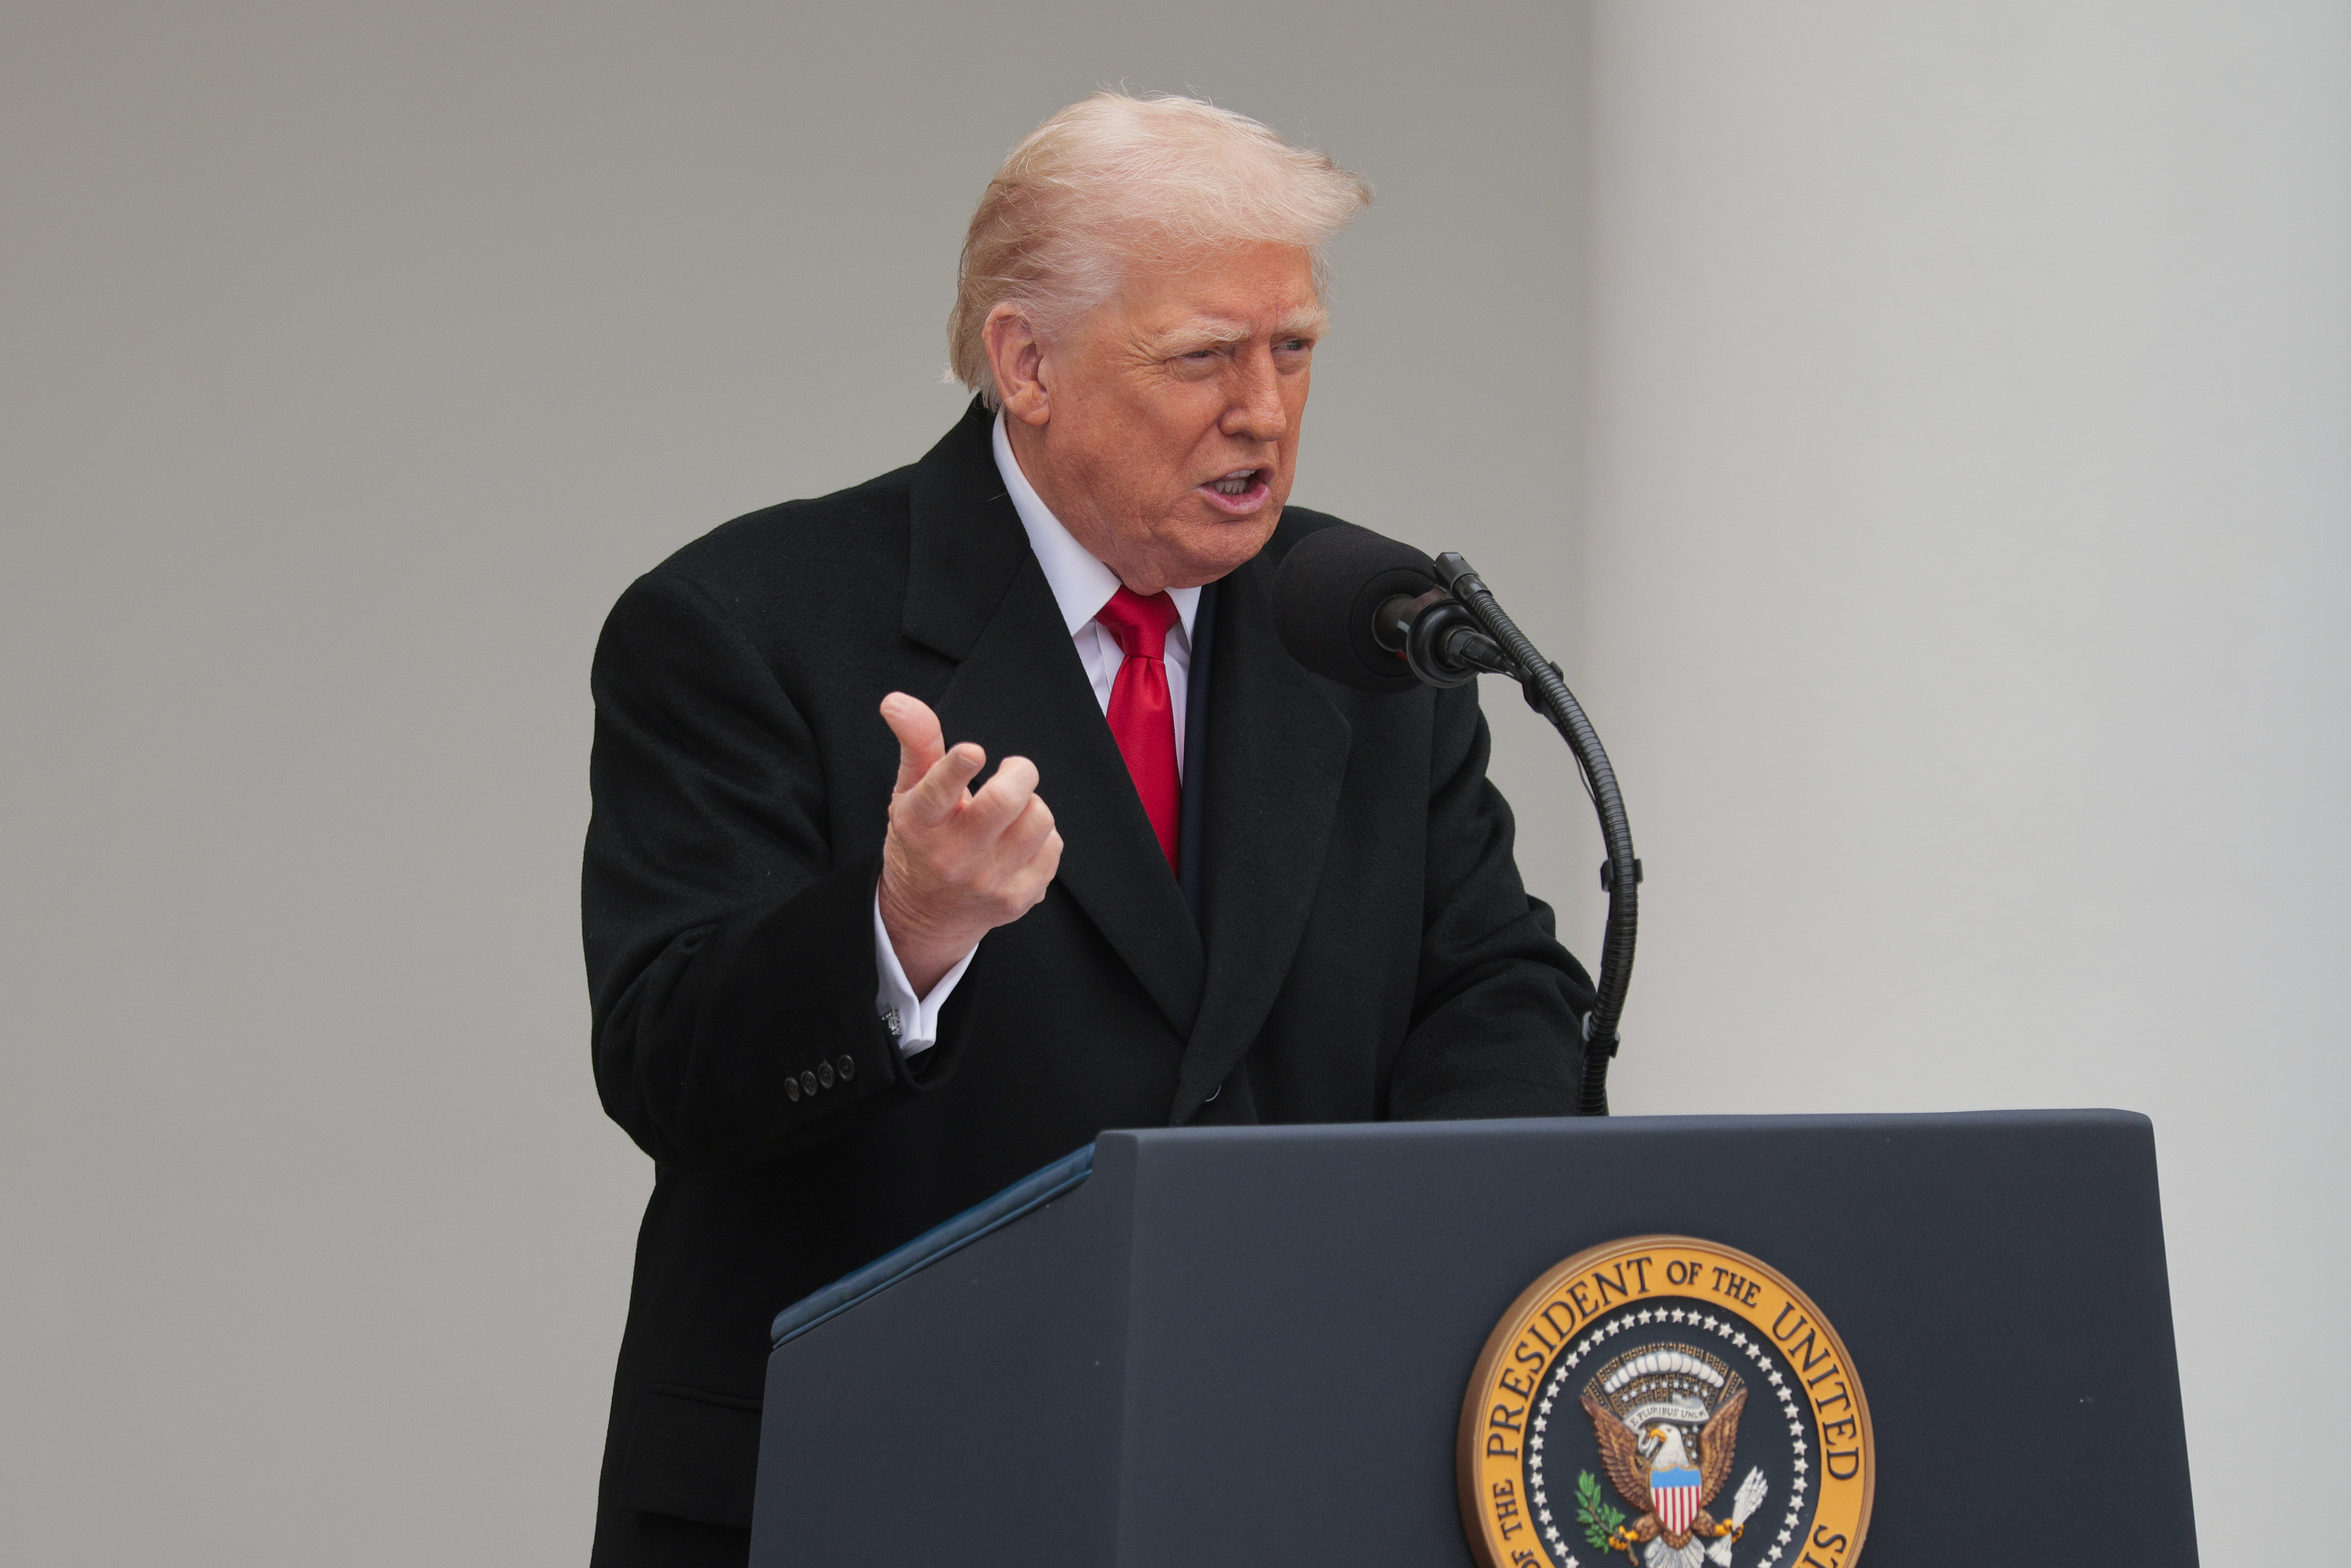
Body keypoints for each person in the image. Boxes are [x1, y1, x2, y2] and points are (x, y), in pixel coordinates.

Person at [582, 91, 1592, 1567]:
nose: (1263, 409)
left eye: (1293, 348)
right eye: (1201, 356)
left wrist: (1424, 1244)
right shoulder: (744, 623)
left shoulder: (1372, 636)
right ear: (1026, 362)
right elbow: (665, 1067)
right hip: (882, 1480)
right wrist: (901, 930)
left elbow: (1492, 990)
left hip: (1285, 1467)